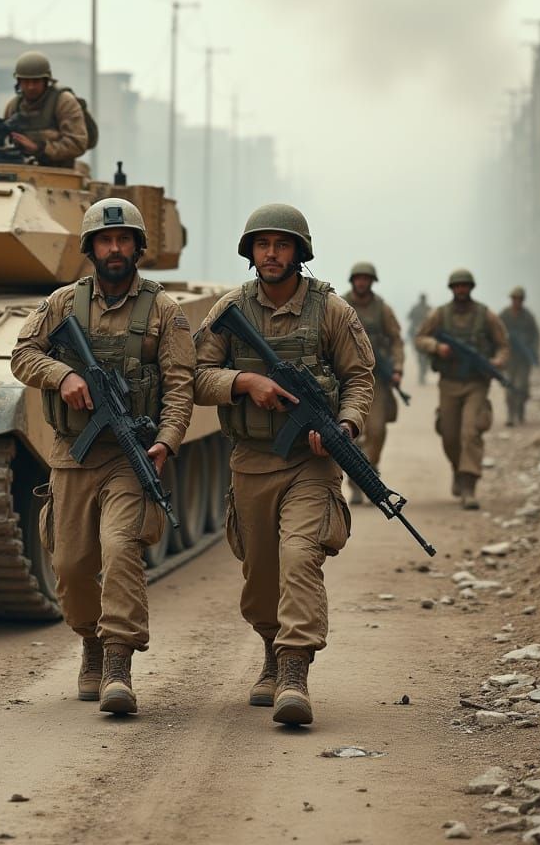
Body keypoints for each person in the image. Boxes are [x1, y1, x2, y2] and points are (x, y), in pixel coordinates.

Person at [10, 198, 194, 715]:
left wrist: (168, 440)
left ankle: (117, 662)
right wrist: (63, 375)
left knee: (119, 551)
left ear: (138, 247)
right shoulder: (64, 304)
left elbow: (180, 387)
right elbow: (23, 355)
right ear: (91, 248)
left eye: (124, 240)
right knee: (69, 564)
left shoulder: (164, 311)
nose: (115, 249)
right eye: (105, 241)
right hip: (72, 453)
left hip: (130, 456)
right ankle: (90, 640)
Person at [194, 204, 374, 726]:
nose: (271, 254)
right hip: (251, 461)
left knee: (299, 557)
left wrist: (345, 426)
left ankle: (294, 670)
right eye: (263, 244)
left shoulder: (331, 311)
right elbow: (197, 377)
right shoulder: (230, 310)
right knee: (260, 572)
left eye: (283, 244)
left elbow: (360, 378)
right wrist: (245, 383)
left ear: (300, 252)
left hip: (309, 464)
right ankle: (271, 649)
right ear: (251, 251)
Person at [414, 269, 509, 510]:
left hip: (476, 383)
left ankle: (469, 485)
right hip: (449, 382)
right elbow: (420, 338)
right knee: (449, 435)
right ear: (452, 289)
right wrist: (437, 347)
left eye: (465, 286)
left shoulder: (485, 315)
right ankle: (458, 469)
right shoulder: (441, 314)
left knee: (470, 432)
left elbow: (503, 345)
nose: (461, 290)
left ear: (471, 287)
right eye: (457, 286)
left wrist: (497, 361)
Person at [344, 261, 404, 504]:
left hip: (376, 378)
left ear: (372, 281)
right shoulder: (340, 304)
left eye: (366, 278)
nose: (361, 282)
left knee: (376, 430)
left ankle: (368, 470)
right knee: (349, 433)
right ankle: (359, 480)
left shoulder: (382, 309)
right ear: (353, 280)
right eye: (358, 278)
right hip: (345, 377)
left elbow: (397, 340)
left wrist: (398, 368)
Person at [3, 52, 89, 167]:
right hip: (22, 172)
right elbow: (5, 143)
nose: (31, 87)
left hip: (60, 174)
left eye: (36, 81)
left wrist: (38, 148)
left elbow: (77, 144)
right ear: (19, 81)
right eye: (26, 81)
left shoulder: (64, 102)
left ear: (46, 80)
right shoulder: (13, 106)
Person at [499, 286, 540, 426]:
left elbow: (535, 335)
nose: (517, 302)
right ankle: (510, 415)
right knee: (509, 386)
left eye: (519, 299)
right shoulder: (504, 315)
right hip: (509, 357)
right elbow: (496, 332)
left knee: (521, 386)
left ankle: (520, 412)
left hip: (523, 358)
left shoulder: (528, 316)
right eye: (515, 299)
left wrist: (532, 350)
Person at [407, 293, 431, 384]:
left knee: (424, 358)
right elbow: (409, 317)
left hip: (425, 336)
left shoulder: (426, 308)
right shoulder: (426, 308)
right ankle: (422, 375)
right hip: (417, 336)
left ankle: (422, 374)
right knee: (422, 357)